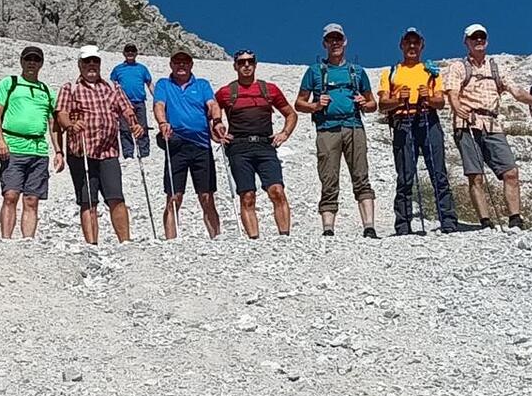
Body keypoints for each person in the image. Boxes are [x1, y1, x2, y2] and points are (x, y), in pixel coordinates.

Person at [442, 24, 532, 230]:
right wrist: (457, 108)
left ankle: (515, 218)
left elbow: (517, 92)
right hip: (467, 123)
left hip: (493, 124)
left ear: (486, 40)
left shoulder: (496, 67)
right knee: (476, 175)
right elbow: (452, 93)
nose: (479, 40)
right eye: (474, 37)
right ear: (466, 42)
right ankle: (485, 221)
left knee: (510, 172)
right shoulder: (458, 67)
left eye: (482, 37)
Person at [294, 23, 378, 237]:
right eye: (330, 39)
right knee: (328, 178)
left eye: (338, 38)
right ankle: (328, 229)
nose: (335, 43)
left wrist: (364, 103)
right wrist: (315, 106)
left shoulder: (357, 72)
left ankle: (369, 227)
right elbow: (299, 103)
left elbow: (372, 104)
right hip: (327, 129)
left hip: (354, 126)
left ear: (345, 41)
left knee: (361, 175)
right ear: (324, 43)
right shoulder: (314, 71)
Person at [56, 46, 143, 244]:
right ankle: (92, 244)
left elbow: (127, 109)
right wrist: (70, 125)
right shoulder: (70, 88)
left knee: (116, 197)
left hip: (108, 151)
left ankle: (125, 242)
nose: (91, 65)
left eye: (95, 61)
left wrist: (134, 124)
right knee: (88, 200)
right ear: (80, 65)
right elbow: (61, 113)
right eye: (87, 61)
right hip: (82, 152)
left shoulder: (113, 87)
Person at [380, 28, 458, 235]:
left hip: (427, 119)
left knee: (438, 172)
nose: (412, 46)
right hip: (403, 121)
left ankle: (448, 221)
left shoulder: (431, 71)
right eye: (408, 42)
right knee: (405, 175)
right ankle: (403, 225)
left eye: (416, 42)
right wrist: (398, 99)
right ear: (402, 45)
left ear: (422, 46)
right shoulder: (391, 72)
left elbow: (440, 102)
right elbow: (382, 104)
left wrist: (428, 98)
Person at [213, 49, 297, 237]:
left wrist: (285, 133)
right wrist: (216, 134)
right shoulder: (226, 92)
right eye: (241, 62)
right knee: (247, 195)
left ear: (255, 64)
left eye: (250, 61)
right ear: (235, 66)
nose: (246, 65)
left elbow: (291, 114)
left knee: (277, 191)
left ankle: (285, 237)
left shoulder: (269, 89)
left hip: (265, 146)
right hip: (239, 147)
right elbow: (210, 113)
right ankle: (254, 240)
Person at [0, 45, 63, 239]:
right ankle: (6, 239)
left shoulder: (46, 91)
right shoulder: (10, 83)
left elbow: (53, 124)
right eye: (28, 59)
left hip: (38, 151)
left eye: (36, 60)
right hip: (13, 147)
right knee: (10, 195)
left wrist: (58, 151)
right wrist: (0, 141)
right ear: (21, 61)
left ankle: (28, 241)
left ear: (41, 64)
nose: (32, 63)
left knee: (32, 199)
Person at [153, 49, 222, 239]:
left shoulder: (202, 84)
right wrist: (162, 123)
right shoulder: (164, 84)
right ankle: (171, 240)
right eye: (177, 62)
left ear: (191, 64)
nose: (181, 65)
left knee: (206, 196)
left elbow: (212, 104)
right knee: (174, 196)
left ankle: (216, 237)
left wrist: (217, 121)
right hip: (176, 146)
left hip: (201, 146)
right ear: (171, 64)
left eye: (185, 62)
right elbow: (159, 105)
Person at [110, 44, 154, 159]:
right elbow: (114, 84)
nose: (130, 53)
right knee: (125, 128)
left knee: (142, 126)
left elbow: (149, 84)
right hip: (124, 104)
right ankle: (128, 153)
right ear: (124, 53)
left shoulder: (142, 68)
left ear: (136, 53)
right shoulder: (118, 69)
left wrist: (157, 98)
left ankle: (144, 152)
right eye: (128, 51)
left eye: (133, 51)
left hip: (139, 102)